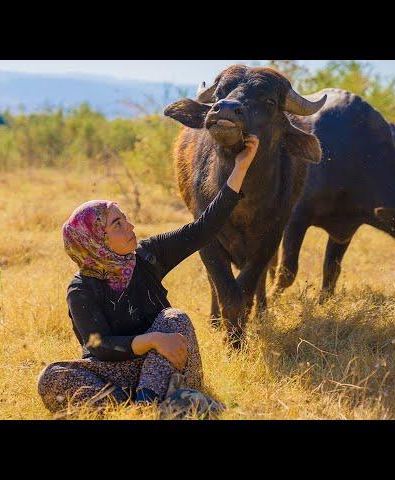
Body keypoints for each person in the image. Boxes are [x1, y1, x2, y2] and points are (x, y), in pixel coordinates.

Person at [37, 135, 260, 414]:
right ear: (96, 241)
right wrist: (150, 340)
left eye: (126, 218)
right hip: (117, 373)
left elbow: (203, 230)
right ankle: (142, 405)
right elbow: (98, 346)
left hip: (165, 363)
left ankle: (147, 405)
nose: (130, 226)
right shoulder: (82, 289)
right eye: (118, 223)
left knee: (174, 319)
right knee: (51, 376)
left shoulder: (148, 256)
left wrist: (240, 168)